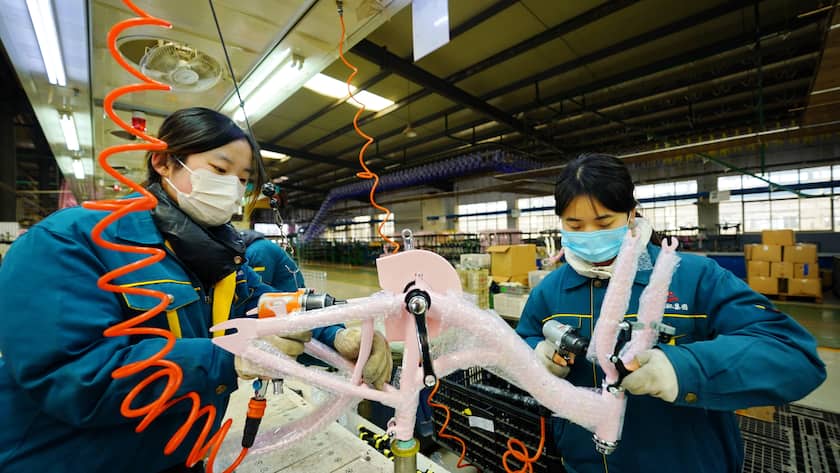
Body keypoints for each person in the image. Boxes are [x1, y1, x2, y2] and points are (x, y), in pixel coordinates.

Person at [0, 107, 389, 473]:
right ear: (164, 161)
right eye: (220, 169)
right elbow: (69, 375)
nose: (234, 189)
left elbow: (264, 303)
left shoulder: (216, 253)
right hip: (64, 460)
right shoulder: (70, 241)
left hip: (177, 453)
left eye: (242, 179)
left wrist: (337, 333)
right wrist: (226, 360)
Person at [515, 153, 826, 473]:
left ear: (631, 214)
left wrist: (680, 369)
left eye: (605, 222)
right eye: (575, 225)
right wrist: (535, 356)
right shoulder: (550, 291)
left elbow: (793, 354)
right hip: (584, 464)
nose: (590, 234)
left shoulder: (694, 277)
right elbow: (522, 339)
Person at [239, 229, 391, 379]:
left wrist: (336, 336)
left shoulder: (256, 251)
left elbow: (259, 302)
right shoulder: (247, 252)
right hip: (288, 309)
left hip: (291, 308)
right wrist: (232, 355)